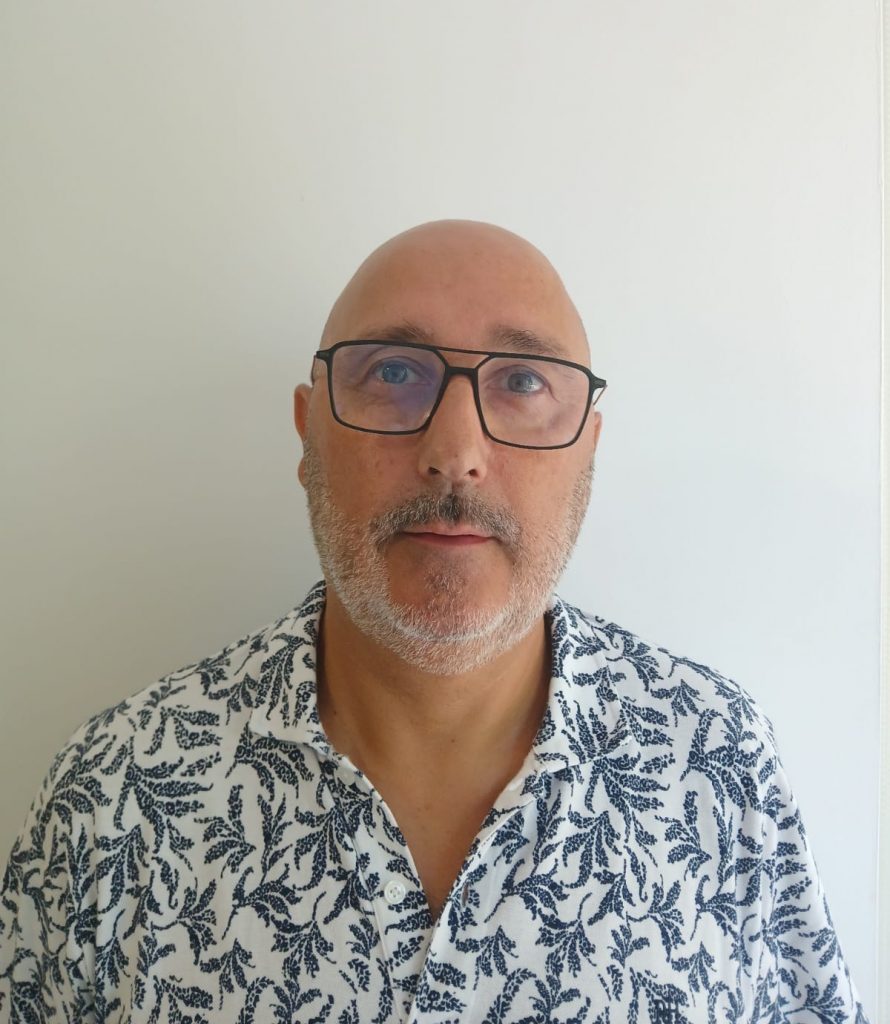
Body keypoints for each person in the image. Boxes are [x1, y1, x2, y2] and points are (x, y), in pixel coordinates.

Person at [0, 220, 867, 1023]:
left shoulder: (718, 766)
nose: (455, 453)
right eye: (393, 373)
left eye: (522, 381)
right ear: (308, 434)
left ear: (588, 449)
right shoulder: (116, 796)